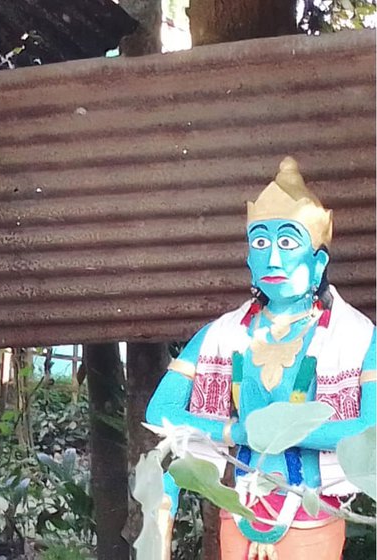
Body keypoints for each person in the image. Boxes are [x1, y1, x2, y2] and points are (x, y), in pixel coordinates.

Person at [146, 157, 376, 560]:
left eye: (288, 243)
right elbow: (161, 412)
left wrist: (281, 429)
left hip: (311, 514)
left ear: (318, 261)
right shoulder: (221, 334)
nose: (272, 258)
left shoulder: (357, 338)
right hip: (239, 510)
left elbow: (371, 433)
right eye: (260, 242)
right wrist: (239, 433)